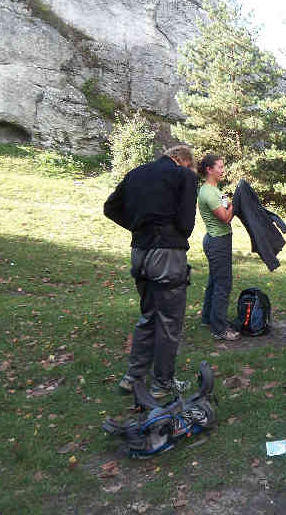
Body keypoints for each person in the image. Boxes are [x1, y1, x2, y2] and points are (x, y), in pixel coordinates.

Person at [104, 145, 198, 399]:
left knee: (148, 316)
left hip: (140, 253)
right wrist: (168, 231)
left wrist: (138, 226)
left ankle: (132, 377)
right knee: (169, 322)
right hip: (167, 254)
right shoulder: (185, 176)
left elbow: (110, 208)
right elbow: (186, 224)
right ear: (184, 162)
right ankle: (162, 384)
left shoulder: (135, 173)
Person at [197, 154, 240, 341]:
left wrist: (232, 204)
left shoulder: (216, 190)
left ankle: (208, 318)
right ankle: (220, 329)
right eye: (220, 167)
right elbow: (226, 217)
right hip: (217, 242)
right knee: (223, 284)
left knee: (215, 281)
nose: (223, 170)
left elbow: (227, 206)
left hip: (219, 240)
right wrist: (237, 203)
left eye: (223, 167)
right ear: (209, 170)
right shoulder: (207, 192)